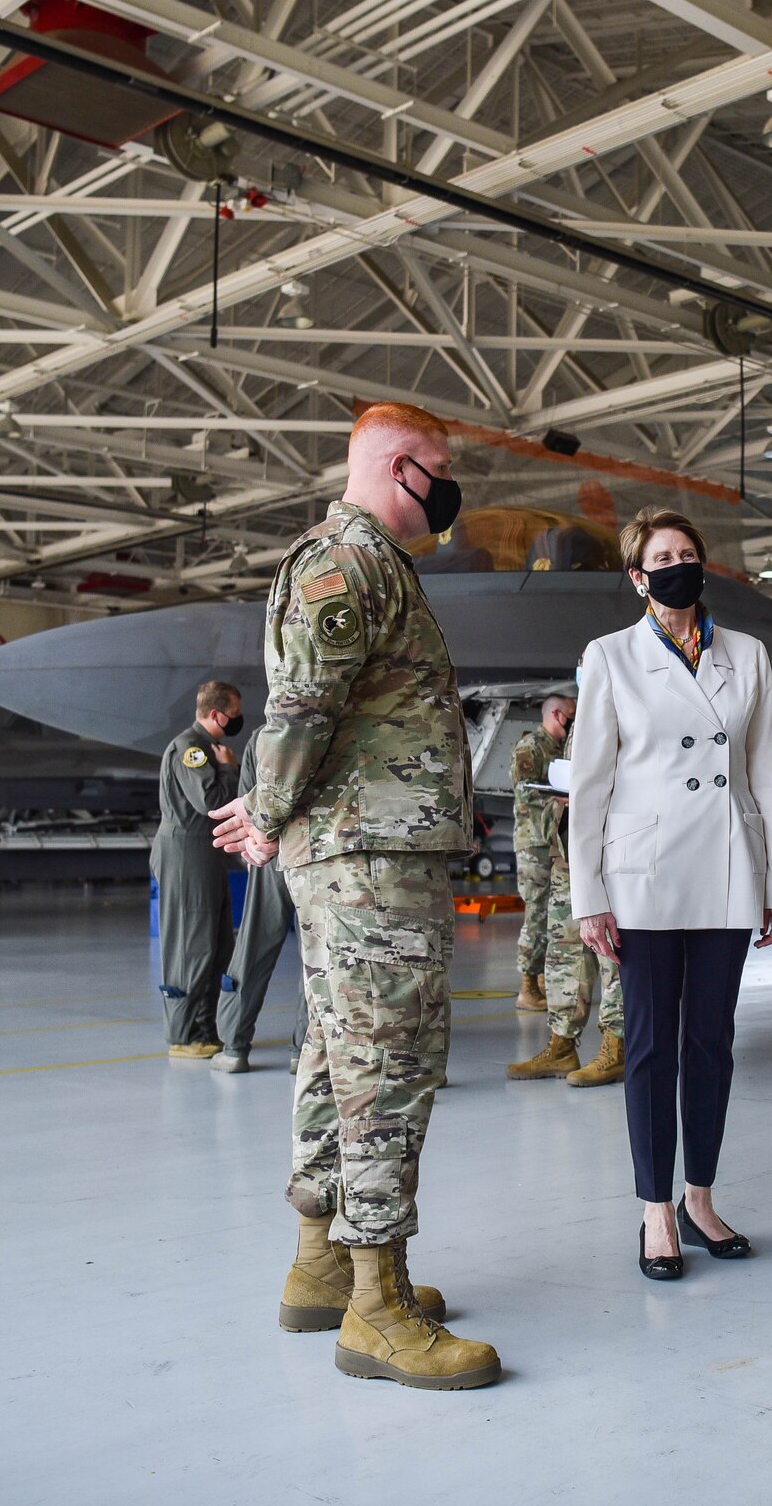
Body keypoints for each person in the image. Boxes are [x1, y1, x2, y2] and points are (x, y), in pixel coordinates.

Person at [210, 400, 499, 1392]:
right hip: (369, 858)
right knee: (389, 1060)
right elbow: (301, 708)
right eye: (439, 468)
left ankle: (321, 1264)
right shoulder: (347, 561)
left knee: (339, 1053)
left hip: (363, 853)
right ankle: (378, 1303)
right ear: (397, 466)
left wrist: (271, 810)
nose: (449, 488)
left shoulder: (374, 564)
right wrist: (265, 807)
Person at [569, 507, 772, 1280]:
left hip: (728, 869)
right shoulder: (610, 657)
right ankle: (653, 1213)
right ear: (639, 578)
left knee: (711, 1046)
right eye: (662, 556)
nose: (678, 565)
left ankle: (699, 1201)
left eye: (688, 552)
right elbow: (590, 783)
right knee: (652, 1046)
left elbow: (764, 773)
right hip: (644, 877)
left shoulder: (748, 655)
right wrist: (587, 895)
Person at [508, 689, 625, 1084]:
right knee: (564, 947)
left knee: (612, 952)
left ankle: (618, 1044)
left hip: (610, 849)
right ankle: (561, 1045)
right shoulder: (574, 729)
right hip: (565, 846)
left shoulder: (628, 713)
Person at [154, 680, 242, 1059]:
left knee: (215, 940)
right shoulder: (192, 750)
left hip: (203, 851)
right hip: (186, 851)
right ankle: (185, 1034)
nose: (237, 720)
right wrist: (228, 771)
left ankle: (206, 1029)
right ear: (216, 714)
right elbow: (212, 803)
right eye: (234, 714)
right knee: (193, 943)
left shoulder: (206, 748)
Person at [210, 725, 296, 1073]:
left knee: (253, 947)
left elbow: (248, 804)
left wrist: (256, 847)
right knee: (317, 958)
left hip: (268, 857)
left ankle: (234, 1047)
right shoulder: (333, 727)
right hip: (314, 859)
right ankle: (304, 1051)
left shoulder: (261, 737)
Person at [509, 695, 574, 1013]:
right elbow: (523, 790)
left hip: (554, 842)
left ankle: (547, 980)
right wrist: (559, 799)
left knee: (554, 915)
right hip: (534, 841)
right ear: (558, 715)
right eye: (571, 715)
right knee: (536, 913)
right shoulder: (531, 746)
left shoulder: (560, 748)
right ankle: (528, 986)